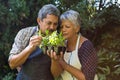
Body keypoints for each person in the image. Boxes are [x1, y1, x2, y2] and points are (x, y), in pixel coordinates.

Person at [8, 4, 60, 80]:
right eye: (49, 23)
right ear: (39, 21)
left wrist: (55, 60)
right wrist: (29, 48)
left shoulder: (59, 41)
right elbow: (12, 64)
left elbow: (56, 75)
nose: (52, 27)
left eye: (55, 24)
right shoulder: (25, 33)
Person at [47, 10, 98, 80]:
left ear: (77, 28)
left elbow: (88, 78)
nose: (63, 30)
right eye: (61, 27)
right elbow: (55, 75)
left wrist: (65, 65)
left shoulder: (86, 46)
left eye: (67, 27)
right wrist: (55, 60)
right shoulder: (61, 45)